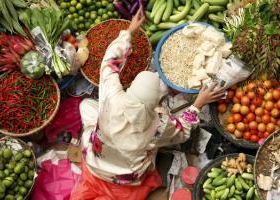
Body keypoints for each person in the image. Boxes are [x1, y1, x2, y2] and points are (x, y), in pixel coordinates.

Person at [70, 7, 226, 200]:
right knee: (154, 147)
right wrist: (197, 104)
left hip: (96, 160)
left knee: (87, 104)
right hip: (127, 176)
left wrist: (128, 32)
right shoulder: (158, 125)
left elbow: (109, 62)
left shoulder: (111, 96)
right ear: (155, 103)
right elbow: (183, 132)